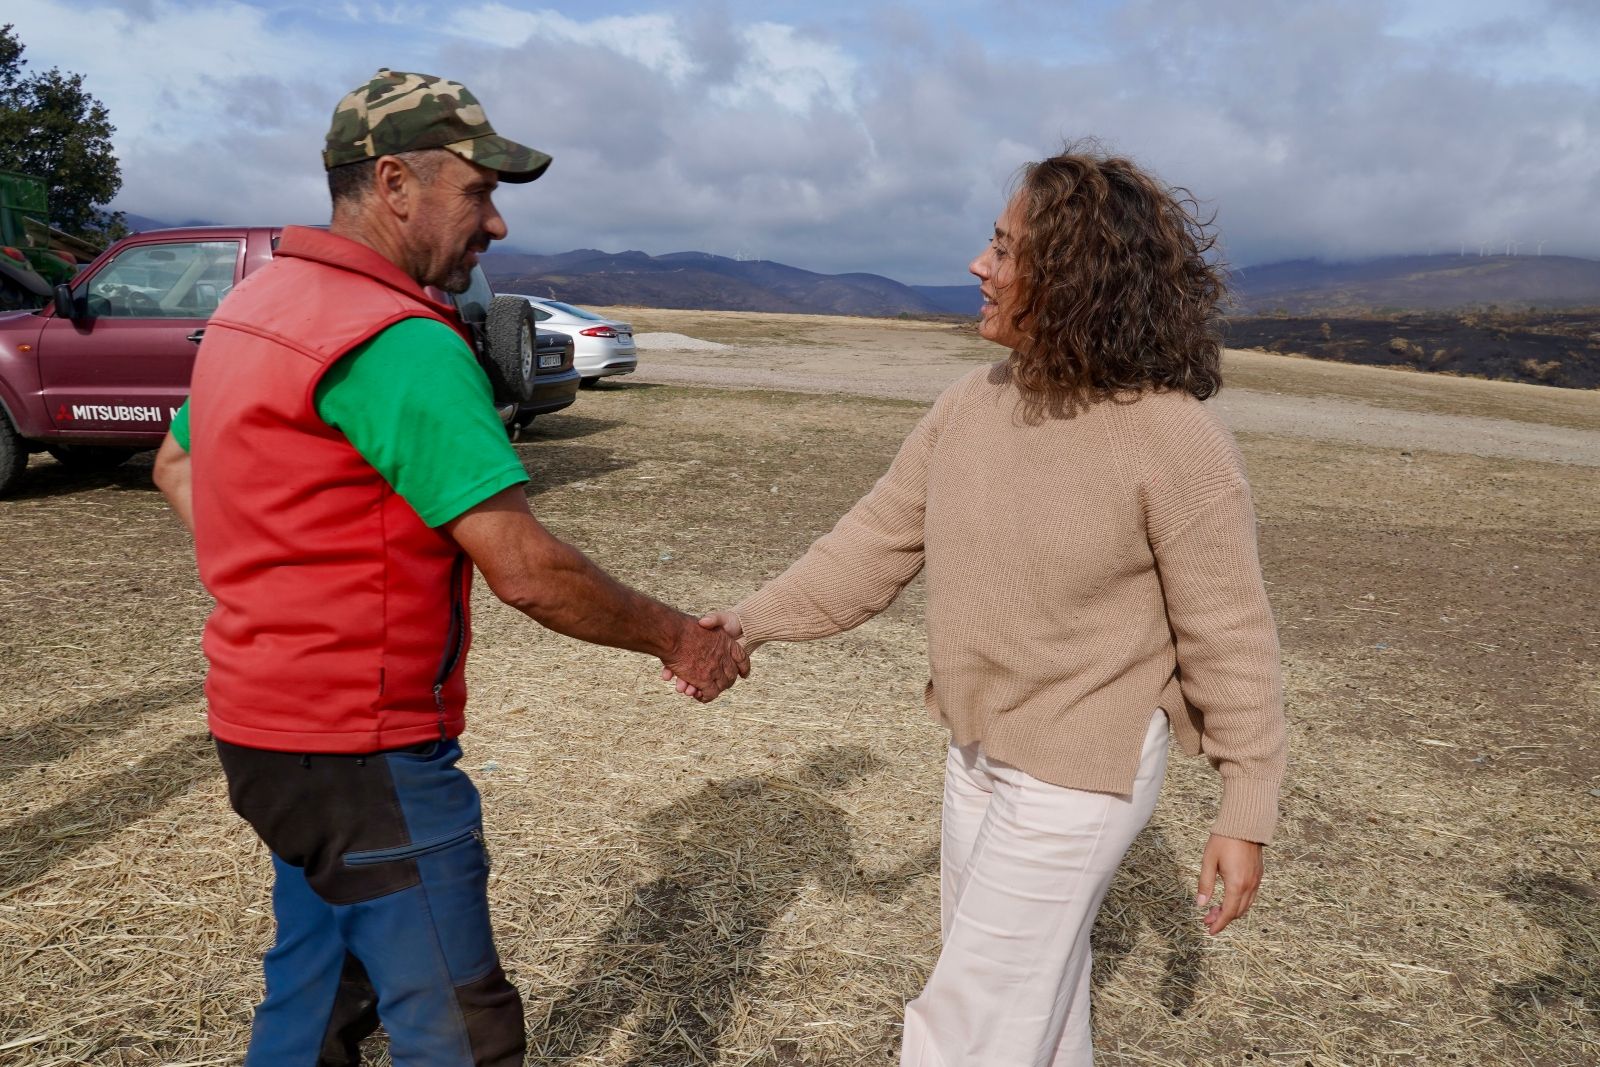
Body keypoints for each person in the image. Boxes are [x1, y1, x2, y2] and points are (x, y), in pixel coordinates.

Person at [152, 69, 747, 1067]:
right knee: (459, 1030)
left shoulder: (261, 303)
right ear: (392, 183)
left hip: (263, 734)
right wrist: (679, 636)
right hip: (365, 752)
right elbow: (524, 566)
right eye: (478, 192)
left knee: (314, 998)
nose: (497, 224)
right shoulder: (399, 341)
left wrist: (280, 570)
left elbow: (180, 461)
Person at [675, 147, 1288, 1065]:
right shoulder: (973, 404)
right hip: (978, 748)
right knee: (1030, 1002)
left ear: (1074, 278)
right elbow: (871, 543)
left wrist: (1246, 807)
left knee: (967, 1024)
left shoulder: (1176, 438)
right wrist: (744, 623)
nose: (978, 265)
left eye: (1004, 250)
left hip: (1083, 765)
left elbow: (1231, 637)